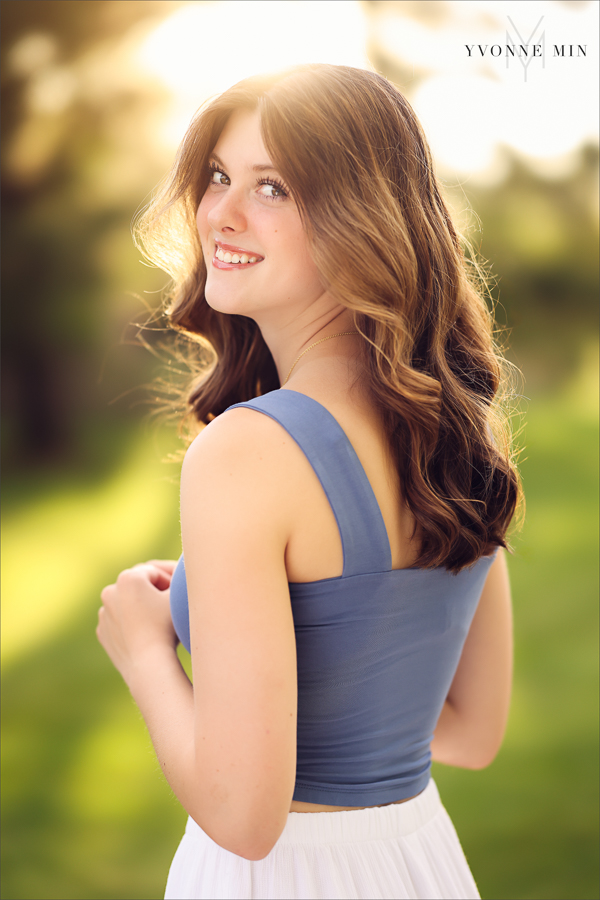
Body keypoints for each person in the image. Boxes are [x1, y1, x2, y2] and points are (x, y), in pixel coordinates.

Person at [96, 64, 520, 900]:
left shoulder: (247, 453)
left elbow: (245, 819)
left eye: (274, 188)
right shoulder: (454, 433)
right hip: (417, 863)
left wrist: (146, 648)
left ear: (364, 222)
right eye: (219, 177)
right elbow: (472, 730)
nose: (222, 212)